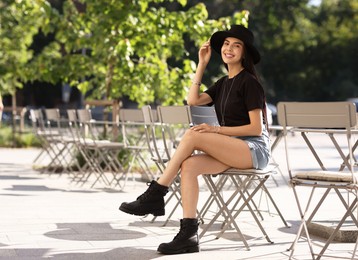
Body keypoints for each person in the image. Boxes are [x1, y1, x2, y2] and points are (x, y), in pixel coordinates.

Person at [119, 24, 271, 255]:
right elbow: (193, 100)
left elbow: (256, 128)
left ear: (245, 53)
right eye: (226, 44)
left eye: (236, 45)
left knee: (193, 134)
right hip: (233, 148)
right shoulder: (223, 82)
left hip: (253, 149)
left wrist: (216, 131)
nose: (229, 49)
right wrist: (202, 64)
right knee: (189, 166)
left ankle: (156, 192)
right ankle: (188, 235)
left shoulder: (249, 82)